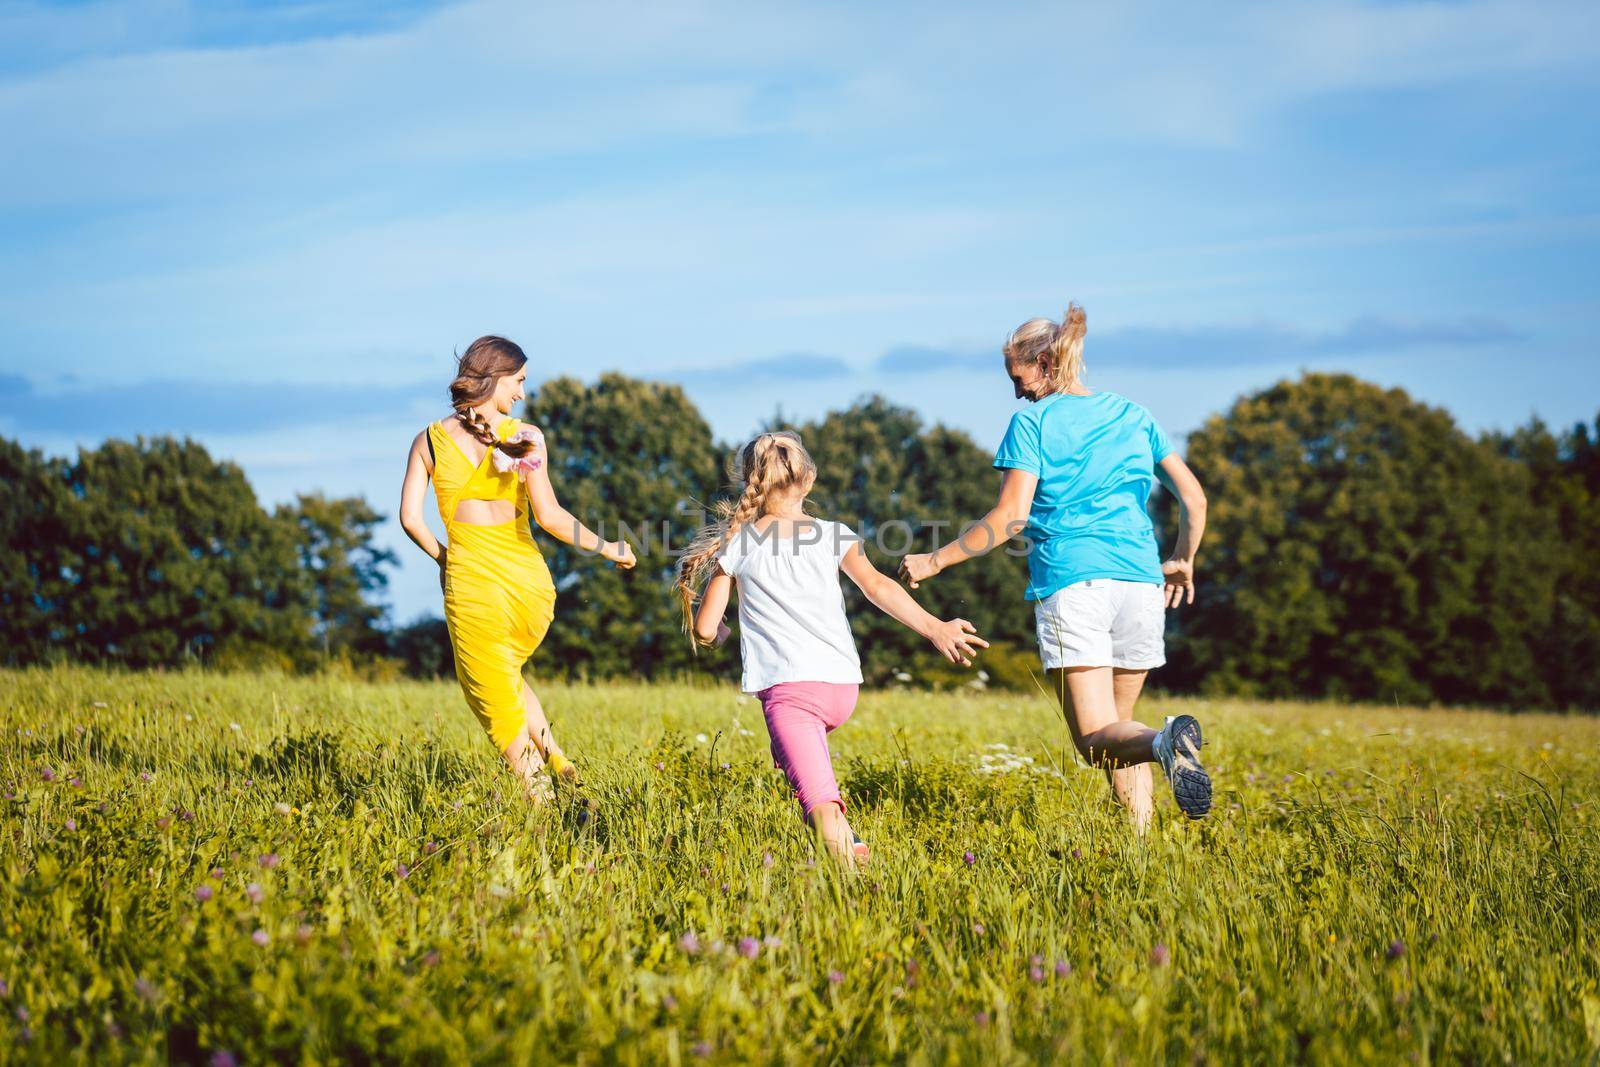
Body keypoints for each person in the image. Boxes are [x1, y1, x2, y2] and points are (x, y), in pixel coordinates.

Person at [898, 305, 1211, 830]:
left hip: (1075, 585)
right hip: (1141, 585)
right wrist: (1183, 558)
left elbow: (1010, 518)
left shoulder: (1032, 423)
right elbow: (1194, 498)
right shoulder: (1135, 415)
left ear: (1043, 362)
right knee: (1120, 728)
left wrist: (935, 560)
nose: (1017, 393)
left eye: (1018, 379)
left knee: (1095, 742)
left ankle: (1165, 739)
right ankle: (1141, 845)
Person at [675, 431, 987, 865]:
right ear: (809, 480)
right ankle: (850, 842)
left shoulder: (737, 544)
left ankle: (854, 884)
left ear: (750, 481)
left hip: (790, 690)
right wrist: (935, 628)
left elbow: (707, 628)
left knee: (819, 801)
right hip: (841, 686)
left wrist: (721, 629)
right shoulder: (834, 535)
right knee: (788, 760)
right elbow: (878, 586)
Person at [398, 336, 636, 801]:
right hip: (530, 589)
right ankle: (557, 756)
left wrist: (447, 559)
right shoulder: (525, 436)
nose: (523, 394)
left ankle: (551, 814)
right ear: (496, 377)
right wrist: (609, 548)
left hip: (474, 593)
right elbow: (550, 517)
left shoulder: (428, 439)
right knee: (507, 674)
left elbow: (410, 519)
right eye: (520, 381)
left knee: (492, 699)